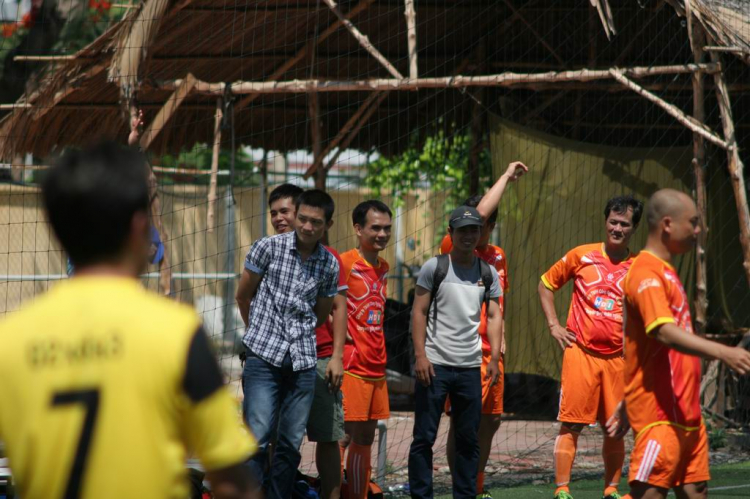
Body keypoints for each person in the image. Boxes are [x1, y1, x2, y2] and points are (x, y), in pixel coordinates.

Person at [0, 143, 258, 499]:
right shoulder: (176, 332)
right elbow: (230, 479)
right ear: (140, 226)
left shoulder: (10, 340)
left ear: (57, 230)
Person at [605, 189, 750, 499]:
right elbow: (663, 332)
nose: (698, 231)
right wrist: (724, 351)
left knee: (696, 491)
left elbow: (645, 347)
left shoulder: (667, 272)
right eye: (694, 223)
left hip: (688, 415)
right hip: (659, 417)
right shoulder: (645, 272)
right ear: (668, 225)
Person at [239, 183, 348, 499]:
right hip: (262, 359)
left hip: (302, 362)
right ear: (297, 215)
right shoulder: (267, 248)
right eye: (303, 218)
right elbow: (243, 295)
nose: (307, 226)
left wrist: (326, 350)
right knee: (257, 438)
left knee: (289, 443)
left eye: (316, 222)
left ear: (327, 225)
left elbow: (322, 313)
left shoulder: (329, 263)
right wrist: (260, 333)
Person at [538, 195, 644, 499]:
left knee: (616, 428)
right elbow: (545, 284)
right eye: (613, 221)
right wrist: (554, 325)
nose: (617, 228)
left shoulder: (639, 267)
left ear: (633, 228)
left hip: (618, 361)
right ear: (605, 221)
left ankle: (610, 490)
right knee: (571, 424)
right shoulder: (581, 256)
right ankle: (562, 489)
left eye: (624, 224)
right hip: (580, 355)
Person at [442, 161, 527, 498]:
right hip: (461, 352)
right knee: (463, 423)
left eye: (489, 224)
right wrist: (506, 176)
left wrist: (502, 335)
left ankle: (476, 487)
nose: (481, 229)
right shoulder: (453, 250)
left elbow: (498, 304)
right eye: (478, 223)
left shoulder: (499, 256)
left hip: (492, 354)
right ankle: (461, 488)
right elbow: (476, 215)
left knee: (491, 421)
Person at [409, 206, 503, 499]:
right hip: (434, 367)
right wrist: (421, 356)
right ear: (451, 233)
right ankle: (421, 495)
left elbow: (496, 315)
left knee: (467, 440)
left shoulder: (487, 272)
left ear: (480, 233)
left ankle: (465, 495)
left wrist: (496, 358)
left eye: (474, 229)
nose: (468, 235)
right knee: (423, 438)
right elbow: (418, 312)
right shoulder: (433, 267)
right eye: (462, 230)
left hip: (469, 368)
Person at [338, 200, 393, 499]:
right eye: (375, 228)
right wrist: (339, 330)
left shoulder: (383, 266)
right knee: (343, 435)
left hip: (376, 365)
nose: (382, 234)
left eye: (387, 228)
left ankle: (356, 494)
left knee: (366, 435)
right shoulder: (344, 262)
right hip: (352, 365)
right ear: (358, 229)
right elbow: (323, 302)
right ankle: (332, 492)